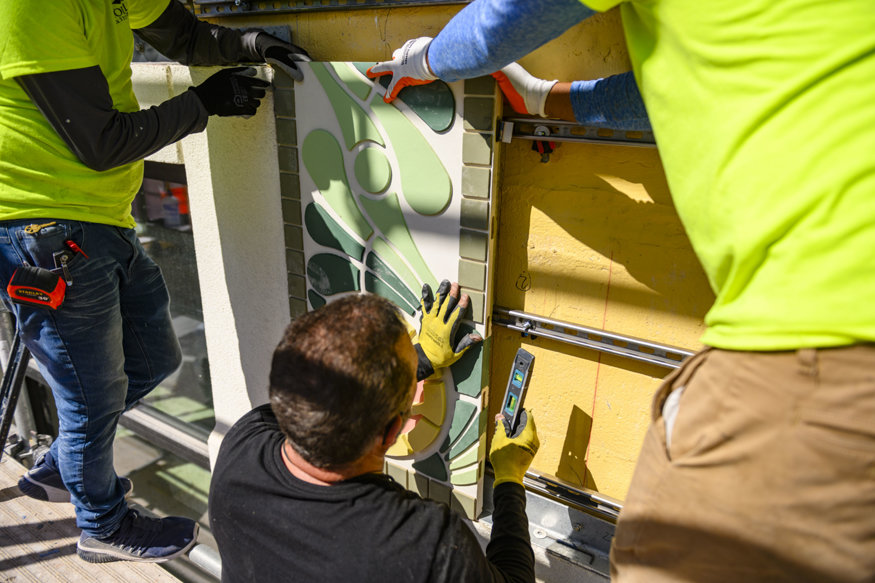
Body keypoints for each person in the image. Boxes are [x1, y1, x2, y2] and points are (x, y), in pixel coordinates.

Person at [368, 0, 875, 582]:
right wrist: (541, 102)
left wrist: (422, 60)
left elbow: (497, 26)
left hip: (816, 354)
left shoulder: (251, 460)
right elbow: (677, 95)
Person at [0, 0, 310, 564]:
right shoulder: (30, 6)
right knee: (90, 398)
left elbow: (183, 34)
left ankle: (63, 465)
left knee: (152, 360)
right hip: (44, 233)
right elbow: (101, 144)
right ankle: (102, 525)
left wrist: (250, 44)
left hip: (100, 220)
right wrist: (202, 105)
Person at [209, 281, 541, 583]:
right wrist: (509, 477)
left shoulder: (242, 444)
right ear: (393, 430)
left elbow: (330, 392)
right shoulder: (423, 546)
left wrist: (420, 360)